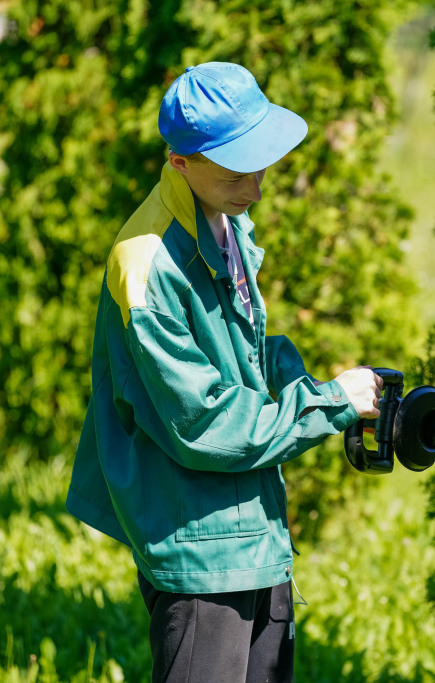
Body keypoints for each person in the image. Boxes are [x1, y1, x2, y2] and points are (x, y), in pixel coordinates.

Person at [65, 62, 383, 683]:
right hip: (199, 544)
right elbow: (204, 421)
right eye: (238, 173)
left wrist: (316, 383)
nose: (257, 188)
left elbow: (247, 350)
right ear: (181, 163)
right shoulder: (148, 264)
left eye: (261, 165)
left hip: (253, 534)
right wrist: (327, 406)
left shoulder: (225, 218)